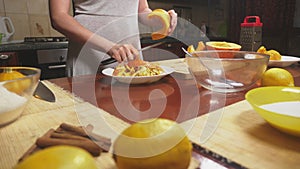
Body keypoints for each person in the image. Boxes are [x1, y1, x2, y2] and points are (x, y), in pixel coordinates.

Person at [49, 0, 177, 76]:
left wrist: (160, 19)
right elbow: (58, 17)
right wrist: (109, 47)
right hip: (89, 60)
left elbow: (142, 10)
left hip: (131, 61)